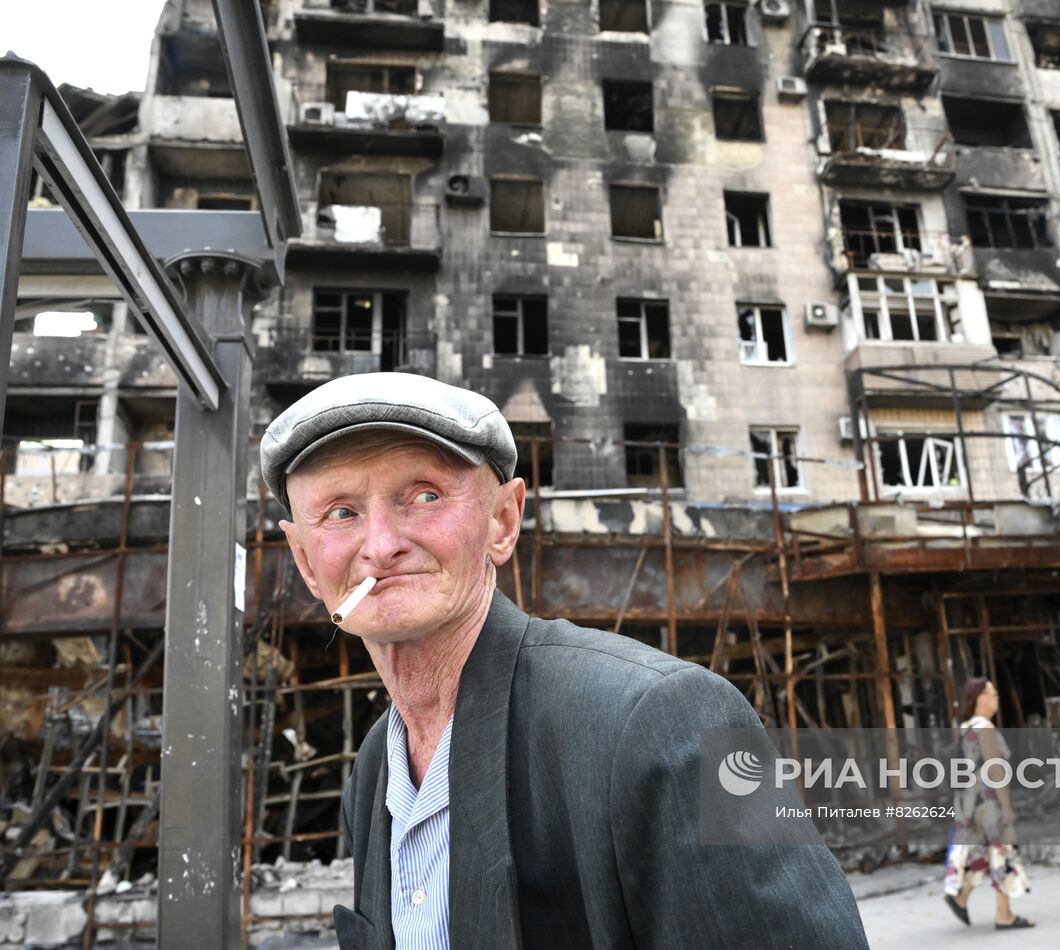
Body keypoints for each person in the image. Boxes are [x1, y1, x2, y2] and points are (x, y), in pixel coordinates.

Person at [258, 372, 869, 950]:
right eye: (341, 512)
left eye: (424, 495)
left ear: (502, 520)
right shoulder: (373, 772)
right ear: (307, 562)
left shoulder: (665, 720)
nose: (381, 545)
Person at [943, 677, 1034, 931]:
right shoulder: (984, 727)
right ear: (980, 699)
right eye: (992, 694)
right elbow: (996, 771)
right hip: (988, 802)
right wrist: (1006, 807)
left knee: (982, 853)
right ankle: (1004, 915)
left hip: (970, 802)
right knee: (1002, 852)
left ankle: (960, 898)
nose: (996, 698)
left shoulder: (966, 727)